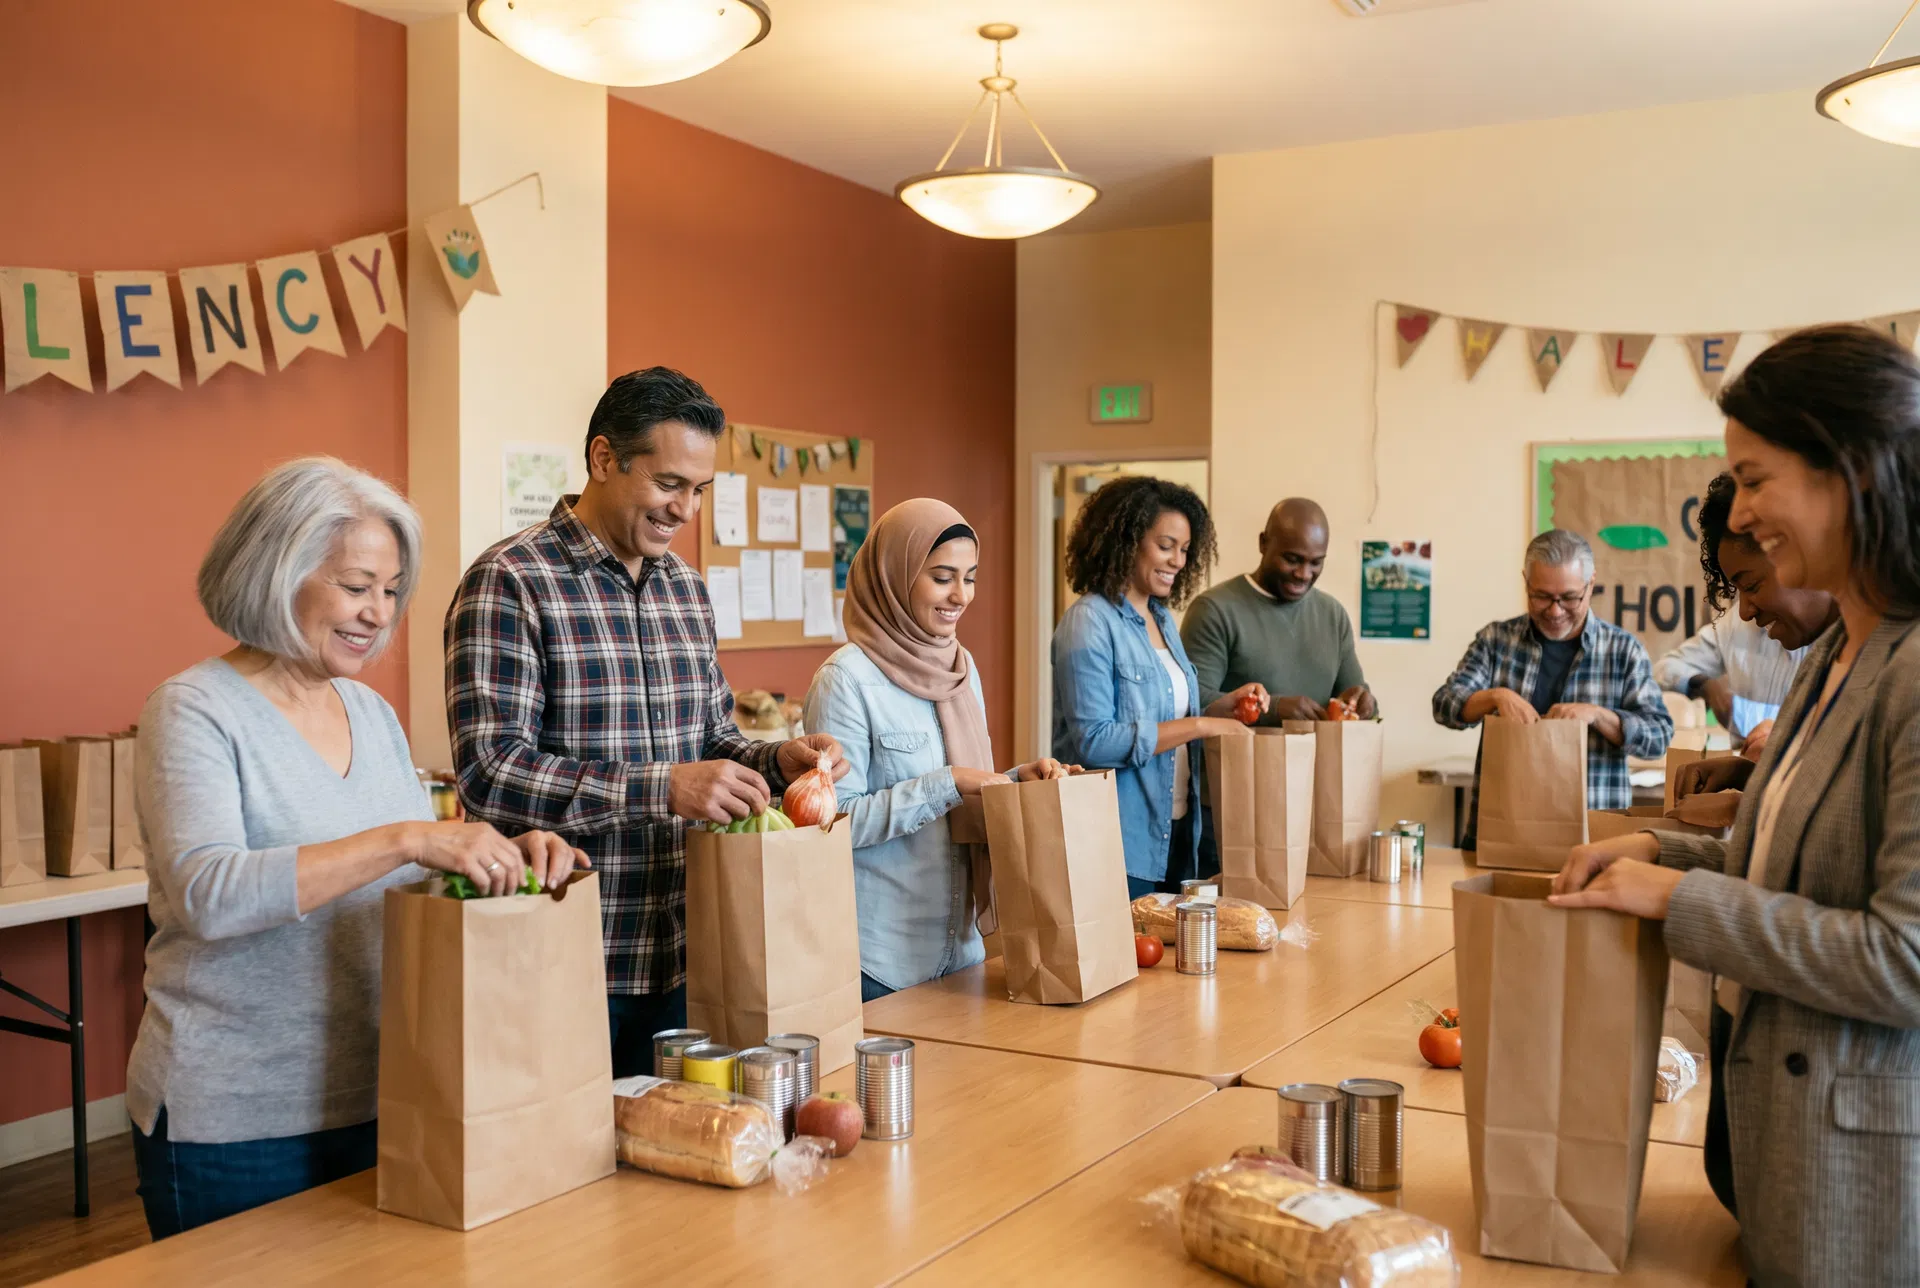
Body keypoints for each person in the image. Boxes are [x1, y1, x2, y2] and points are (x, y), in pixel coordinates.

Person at [129, 459, 584, 1240]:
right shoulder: (194, 709)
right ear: (278, 573)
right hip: (237, 1119)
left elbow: (406, 876)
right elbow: (210, 895)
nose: (378, 612)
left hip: (386, 1092)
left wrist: (501, 857)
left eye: (390, 590)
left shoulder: (371, 713)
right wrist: (411, 835)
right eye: (355, 585)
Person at [1550, 324, 1920, 1284]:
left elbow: (1904, 960)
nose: (1743, 516)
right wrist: (1659, 854)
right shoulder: (1840, 651)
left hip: (1865, 1195)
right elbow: (1786, 869)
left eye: (1757, 481)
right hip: (1780, 1157)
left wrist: (1676, 903)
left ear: (1855, 471)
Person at [444, 368, 843, 1078]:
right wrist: (659, 789)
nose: (685, 509)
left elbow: (712, 742)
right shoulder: (509, 581)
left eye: (699, 490)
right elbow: (491, 774)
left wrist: (773, 761)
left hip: (692, 949)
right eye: (668, 484)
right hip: (569, 953)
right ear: (604, 459)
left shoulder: (687, 591)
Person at [802, 499, 1070, 1001]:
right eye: (942, 576)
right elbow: (832, 825)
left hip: (965, 947)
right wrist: (948, 782)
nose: (960, 595)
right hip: (881, 958)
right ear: (895, 576)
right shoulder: (847, 680)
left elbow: (966, 793)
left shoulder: (960, 666)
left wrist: (1015, 781)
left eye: (969, 577)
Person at [1051, 475, 1252, 899]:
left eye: (1184, 550)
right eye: (1166, 546)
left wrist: (1221, 709)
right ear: (1126, 541)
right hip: (1119, 839)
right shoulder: (1089, 622)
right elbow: (1094, 741)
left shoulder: (1161, 620)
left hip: (1178, 829)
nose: (1178, 561)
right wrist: (1200, 725)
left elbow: (1167, 720)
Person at [1431, 528, 1673, 849]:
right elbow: (1444, 704)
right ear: (1526, 582)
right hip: (1502, 832)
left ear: (1591, 584)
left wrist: (1599, 716)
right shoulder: (1496, 641)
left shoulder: (1623, 650)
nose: (1555, 611)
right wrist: (1495, 696)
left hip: (1593, 841)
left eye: (1569, 598)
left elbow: (1658, 737)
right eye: (1541, 596)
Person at [1664, 471, 1840, 831]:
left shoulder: (1894, 668)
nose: (1744, 612)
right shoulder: (1824, 661)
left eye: (1753, 585)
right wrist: (1749, 774)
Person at [1654, 475, 1817, 750]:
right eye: (1738, 590)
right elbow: (1663, 670)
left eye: (1752, 586)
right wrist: (1705, 685)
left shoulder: (1856, 653)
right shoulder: (1733, 627)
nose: (1744, 612)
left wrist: (1786, 741)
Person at [1181, 497, 1375, 722]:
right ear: (1263, 543)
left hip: (1320, 757)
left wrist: (1365, 703)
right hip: (1242, 757)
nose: (1303, 574)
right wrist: (1272, 707)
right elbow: (1194, 701)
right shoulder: (1214, 610)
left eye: (1316, 563)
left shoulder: (1333, 615)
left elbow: (1354, 693)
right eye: (1292, 559)